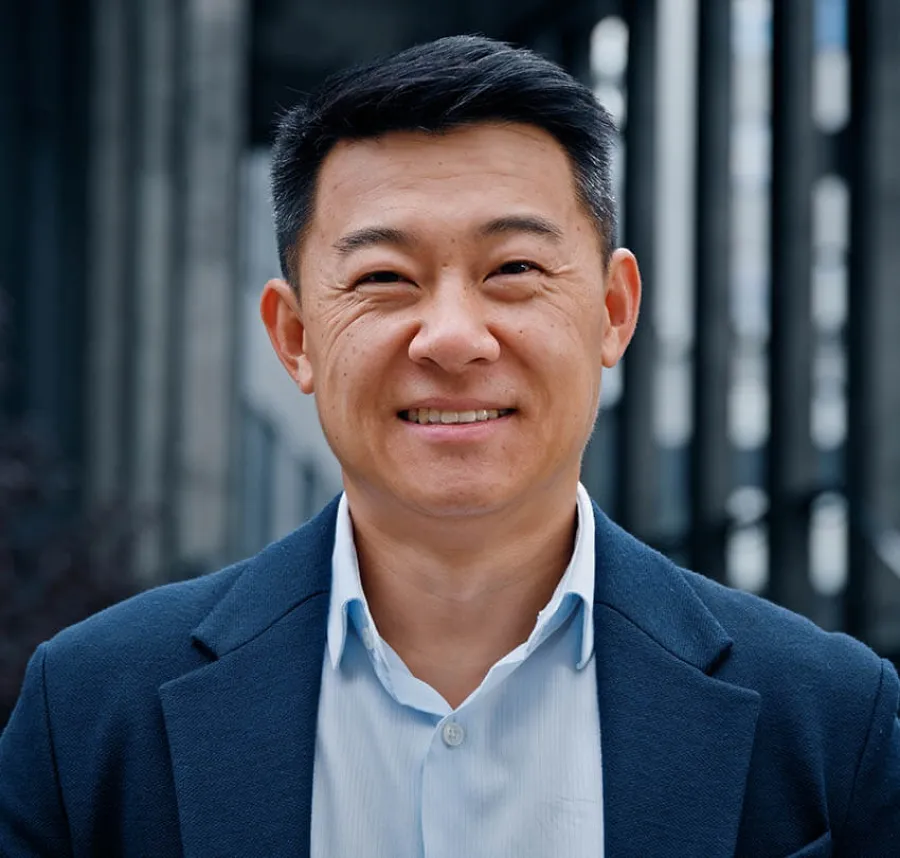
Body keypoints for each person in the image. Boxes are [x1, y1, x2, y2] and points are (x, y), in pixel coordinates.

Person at [1, 34, 898, 858]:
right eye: (385, 278)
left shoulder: (828, 722)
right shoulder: (88, 713)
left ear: (614, 312)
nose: (453, 337)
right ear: (295, 336)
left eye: (513, 269)